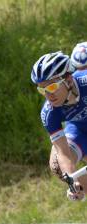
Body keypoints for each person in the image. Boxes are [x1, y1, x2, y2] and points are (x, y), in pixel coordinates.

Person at [31, 52, 87, 201]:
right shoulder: (49, 113)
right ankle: (80, 189)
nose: (48, 95)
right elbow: (63, 153)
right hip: (78, 132)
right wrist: (72, 181)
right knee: (57, 164)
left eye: (52, 87)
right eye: (42, 90)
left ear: (68, 79)